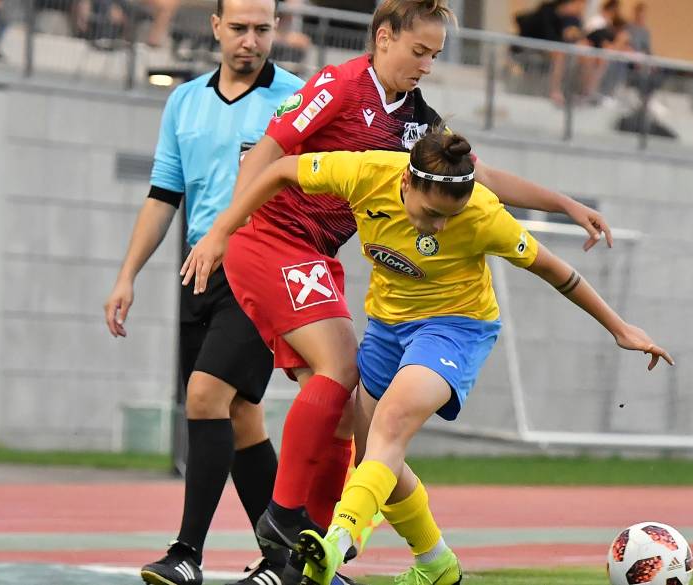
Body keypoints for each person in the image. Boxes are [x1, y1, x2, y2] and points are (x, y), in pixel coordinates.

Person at [183, 0, 613, 582]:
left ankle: (312, 559)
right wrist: (220, 232)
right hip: (273, 239)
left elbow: (482, 176)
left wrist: (563, 204)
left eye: (435, 55)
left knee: (343, 411)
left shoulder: (418, 122)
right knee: (338, 371)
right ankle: (283, 521)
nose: (427, 65)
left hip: (315, 253)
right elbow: (267, 154)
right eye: (419, 51)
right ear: (383, 38)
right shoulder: (338, 85)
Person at [181, 130, 674, 585]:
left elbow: (556, 270)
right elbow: (280, 169)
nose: (438, 225)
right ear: (405, 182)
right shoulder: (365, 173)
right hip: (387, 327)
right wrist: (224, 229)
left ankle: (337, 541)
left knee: (391, 423)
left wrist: (620, 328)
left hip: (456, 328)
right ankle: (437, 563)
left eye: (449, 217)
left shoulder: (483, 215)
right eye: (431, 212)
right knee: (377, 455)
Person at [100, 0, 328, 584]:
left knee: (204, 397)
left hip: (263, 270)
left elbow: (322, 191)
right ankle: (289, 560)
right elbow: (163, 196)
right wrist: (127, 275)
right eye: (240, 28)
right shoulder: (184, 100)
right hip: (198, 270)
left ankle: (187, 554)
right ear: (216, 27)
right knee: (241, 416)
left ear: (277, 29)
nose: (250, 40)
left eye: (262, 29)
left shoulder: (300, 99)